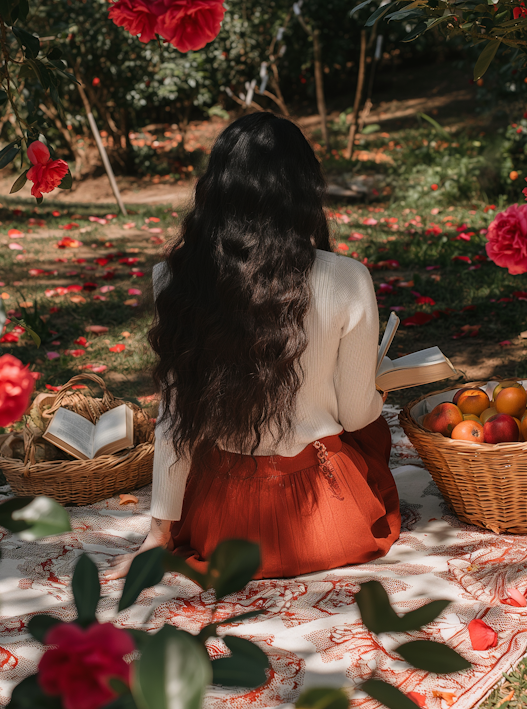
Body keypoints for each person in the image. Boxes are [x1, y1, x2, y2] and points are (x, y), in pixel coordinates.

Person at [105, 112, 400, 581]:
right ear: (304, 189)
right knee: (375, 432)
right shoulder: (346, 277)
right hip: (328, 518)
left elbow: (175, 423)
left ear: (216, 189)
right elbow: (355, 416)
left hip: (223, 525)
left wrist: (159, 535)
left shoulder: (175, 281)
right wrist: (378, 391)